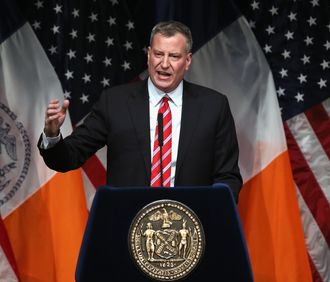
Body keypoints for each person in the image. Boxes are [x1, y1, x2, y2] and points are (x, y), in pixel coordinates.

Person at [39, 20, 242, 201]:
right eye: (158, 54)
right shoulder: (115, 102)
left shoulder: (213, 106)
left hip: (189, 230)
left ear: (187, 61)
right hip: (128, 227)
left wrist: (213, 216)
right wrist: (52, 135)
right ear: (148, 55)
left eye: (174, 56)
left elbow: (228, 177)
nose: (164, 64)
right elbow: (68, 158)